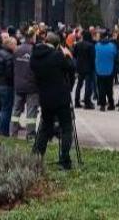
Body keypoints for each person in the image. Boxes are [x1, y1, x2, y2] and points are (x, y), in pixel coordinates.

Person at [30, 32, 76, 170]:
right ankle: (64, 159)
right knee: (66, 127)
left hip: (44, 96)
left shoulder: (35, 56)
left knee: (45, 127)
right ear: (57, 45)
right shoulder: (57, 56)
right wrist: (67, 55)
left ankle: (37, 157)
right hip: (61, 97)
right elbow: (70, 67)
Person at [11, 28, 40, 139]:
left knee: (16, 110)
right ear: (32, 37)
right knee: (31, 112)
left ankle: (13, 132)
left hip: (18, 85)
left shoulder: (17, 50)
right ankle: (30, 134)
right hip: (32, 86)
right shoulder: (35, 51)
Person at [0, 37, 16, 135]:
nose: (16, 46)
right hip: (6, 86)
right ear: (10, 45)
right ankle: (4, 132)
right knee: (6, 110)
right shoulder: (9, 57)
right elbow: (9, 73)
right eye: (14, 44)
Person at [94, 30, 117, 111]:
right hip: (110, 70)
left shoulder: (97, 45)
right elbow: (115, 56)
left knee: (101, 88)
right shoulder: (112, 46)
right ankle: (111, 104)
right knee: (109, 88)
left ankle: (102, 105)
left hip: (99, 70)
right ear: (107, 37)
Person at [72, 29, 95, 109]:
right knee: (88, 85)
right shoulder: (91, 46)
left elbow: (74, 55)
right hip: (88, 67)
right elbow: (93, 57)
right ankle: (87, 102)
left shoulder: (78, 44)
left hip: (80, 66)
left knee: (79, 84)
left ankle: (76, 101)